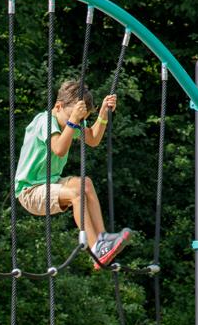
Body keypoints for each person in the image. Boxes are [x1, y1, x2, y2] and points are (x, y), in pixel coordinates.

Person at [12, 79, 132, 269]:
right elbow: (59, 148)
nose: (76, 123)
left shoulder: (68, 122)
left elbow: (92, 139)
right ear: (58, 106)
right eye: (73, 117)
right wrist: (73, 120)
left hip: (50, 183)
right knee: (76, 195)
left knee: (86, 184)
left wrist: (102, 115)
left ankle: (103, 240)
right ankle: (96, 250)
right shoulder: (45, 120)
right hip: (30, 191)